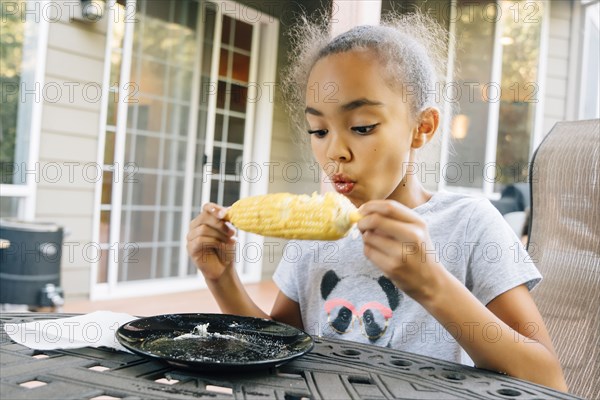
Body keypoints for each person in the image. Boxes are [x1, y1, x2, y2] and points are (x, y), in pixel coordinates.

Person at [186, 12, 567, 391]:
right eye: (318, 130)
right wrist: (223, 279)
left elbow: (547, 381)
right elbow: (279, 350)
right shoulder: (310, 243)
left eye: (362, 127)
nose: (335, 152)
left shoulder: (470, 222)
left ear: (422, 128)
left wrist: (431, 283)